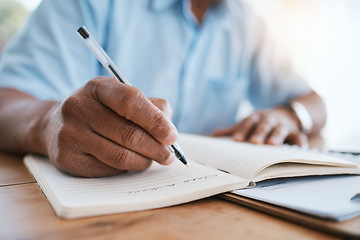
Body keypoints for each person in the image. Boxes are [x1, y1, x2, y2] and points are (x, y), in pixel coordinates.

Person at [0, 0, 326, 177]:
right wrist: (48, 121)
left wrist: (288, 114)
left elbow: (314, 103)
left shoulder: (248, 23)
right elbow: (6, 101)